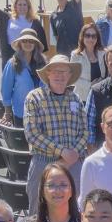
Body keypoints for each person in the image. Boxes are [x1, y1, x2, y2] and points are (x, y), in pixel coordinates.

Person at [23, 53, 89, 202]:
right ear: (48, 73)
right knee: (38, 213)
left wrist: (72, 154)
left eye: (64, 71)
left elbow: (85, 132)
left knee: (76, 213)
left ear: (70, 75)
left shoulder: (76, 99)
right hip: (43, 161)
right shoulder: (34, 98)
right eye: (56, 71)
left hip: (74, 163)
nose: (60, 75)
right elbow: (32, 133)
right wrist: (62, 151)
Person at [16, 161, 85, 222]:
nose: (57, 190)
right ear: (43, 192)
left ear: (71, 191)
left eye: (63, 185)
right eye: (51, 185)